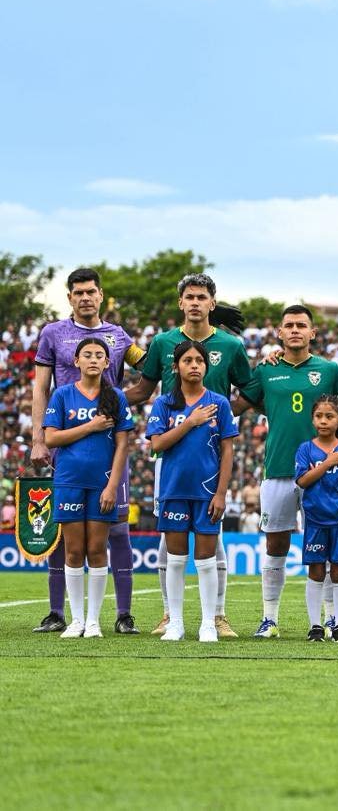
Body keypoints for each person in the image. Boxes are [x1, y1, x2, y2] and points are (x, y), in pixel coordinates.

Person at [129, 273, 250, 639]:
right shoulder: (163, 342)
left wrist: (223, 415)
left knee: (214, 544)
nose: (195, 303)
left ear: (212, 303)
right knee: (169, 545)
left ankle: (217, 617)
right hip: (173, 460)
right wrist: (106, 397)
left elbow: (250, 388)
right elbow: (143, 389)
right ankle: (171, 616)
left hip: (210, 459)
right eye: (190, 297)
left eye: (202, 297)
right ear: (180, 302)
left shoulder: (230, 345)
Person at [30, 267, 147, 635]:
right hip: (67, 446)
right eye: (78, 292)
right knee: (65, 535)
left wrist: (120, 402)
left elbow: (152, 368)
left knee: (117, 530)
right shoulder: (53, 334)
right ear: (69, 297)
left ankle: (123, 615)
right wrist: (37, 437)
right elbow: (40, 388)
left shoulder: (119, 336)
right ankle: (57, 613)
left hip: (109, 450)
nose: (84, 297)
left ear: (101, 295)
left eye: (90, 291)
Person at [234, 305, 338, 639]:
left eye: (301, 325)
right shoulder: (266, 370)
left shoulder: (329, 370)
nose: (294, 330)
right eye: (289, 325)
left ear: (312, 333)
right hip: (279, 469)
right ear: (279, 332)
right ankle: (269, 619)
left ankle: (331, 620)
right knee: (275, 544)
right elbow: (240, 405)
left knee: (330, 548)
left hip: (327, 475)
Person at [146, 340, 238, 643]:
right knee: (175, 559)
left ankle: (208, 624)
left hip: (207, 493)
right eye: (188, 360)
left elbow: (227, 451)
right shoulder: (164, 404)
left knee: (206, 560)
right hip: (173, 490)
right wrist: (190, 422)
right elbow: (157, 445)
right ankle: (175, 623)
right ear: (176, 367)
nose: (195, 365)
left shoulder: (219, 403)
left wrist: (221, 493)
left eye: (199, 360)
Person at [42, 338, 134, 638]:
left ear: (107, 363)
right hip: (68, 481)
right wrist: (90, 427)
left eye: (99, 355)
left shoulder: (116, 397)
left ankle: (93, 621)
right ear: (76, 361)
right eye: (87, 355)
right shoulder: (62, 394)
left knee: (96, 550)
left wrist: (112, 486)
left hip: (101, 484)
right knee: (73, 551)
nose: (93, 359)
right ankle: (76, 620)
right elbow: (51, 438)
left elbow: (123, 445)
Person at [295, 395, 338, 644]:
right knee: (315, 570)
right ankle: (315, 626)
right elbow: (302, 481)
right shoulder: (305, 449)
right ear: (312, 419)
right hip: (315, 520)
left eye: (329, 416)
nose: (323, 421)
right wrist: (327, 463)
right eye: (319, 416)